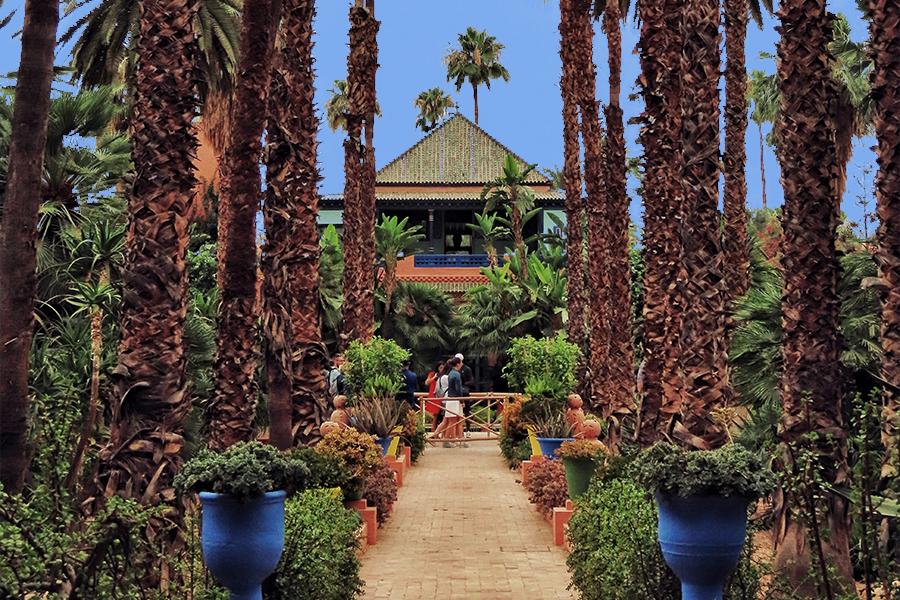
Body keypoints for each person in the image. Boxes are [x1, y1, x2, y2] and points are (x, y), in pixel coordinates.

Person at [455, 353, 475, 436]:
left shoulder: (467, 369)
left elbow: (472, 381)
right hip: (456, 393)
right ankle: (458, 431)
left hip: (464, 393)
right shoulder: (453, 370)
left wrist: (463, 384)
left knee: (467, 412)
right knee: (456, 413)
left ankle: (468, 430)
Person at [425, 362, 445, 432]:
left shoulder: (445, 375)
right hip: (434, 397)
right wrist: (434, 377)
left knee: (444, 416)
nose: (442, 369)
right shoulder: (432, 374)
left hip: (443, 397)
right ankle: (434, 432)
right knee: (435, 416)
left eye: (443, 368)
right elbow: (427, 382)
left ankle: (442, 433)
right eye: (440, 368)